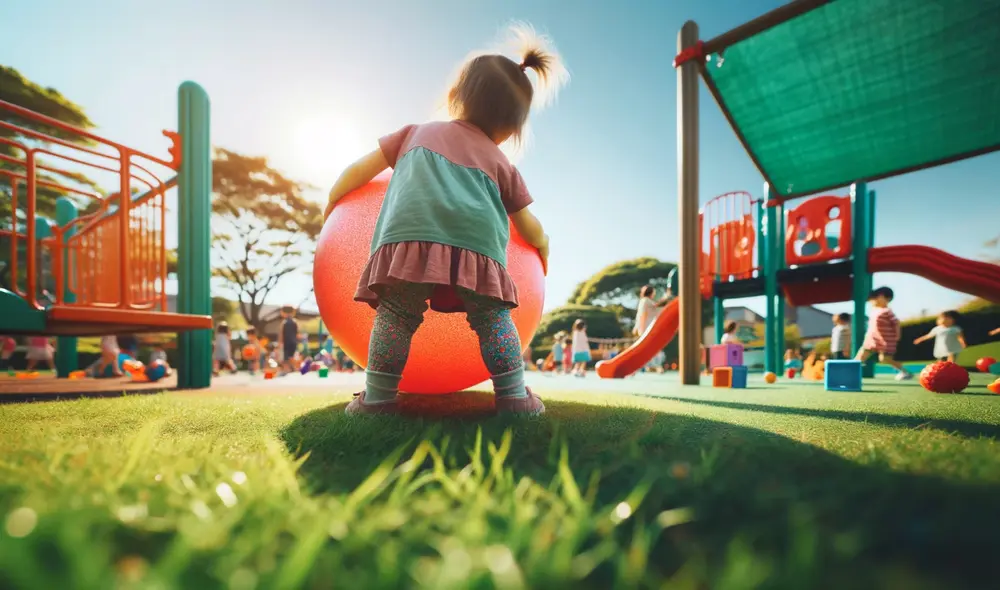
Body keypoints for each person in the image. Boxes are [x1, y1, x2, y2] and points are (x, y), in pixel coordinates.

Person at [322, 25, 566, 415]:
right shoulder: (501, 162)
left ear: (456, 97)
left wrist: (334, 199)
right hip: (477, 251)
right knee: (491, 319)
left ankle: (378, 399)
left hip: (409, 241)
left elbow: (359, 170)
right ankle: (514, 397)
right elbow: (527, 222)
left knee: (397, 316)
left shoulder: (414, 133)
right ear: (511, 129)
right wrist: (543, 244)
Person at [854, 286, 913, 380]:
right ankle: (851, 373)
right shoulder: (874, 311)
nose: (871, 301)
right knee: (860, 356)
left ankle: (905, 371)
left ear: (882, 297)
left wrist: (897, 335)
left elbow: (896, 323)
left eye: (874, 299)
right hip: (872, 339)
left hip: (885, 340)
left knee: (884, 358)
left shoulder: (887, 311)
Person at [278, 306, 299, 375]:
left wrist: (280, 343)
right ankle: (295, 369)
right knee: (292, 356)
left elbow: (281, 334)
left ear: (284, 312)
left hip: (286, 342)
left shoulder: (284, 322)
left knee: (285, 357)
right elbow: (297, 333)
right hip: (293, 341)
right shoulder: (295, 321)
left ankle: (286, 369)